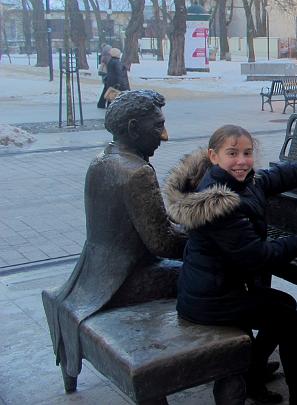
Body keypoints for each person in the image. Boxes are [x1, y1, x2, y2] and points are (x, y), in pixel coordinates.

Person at [164, 125, 297, 405]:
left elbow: (289, 173)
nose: (241, 161)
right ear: (213, 156)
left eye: (247, 153)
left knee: (284, 307)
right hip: (210, 301)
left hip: (215, 287)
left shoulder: (244, 182)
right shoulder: (218, 204)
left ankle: (253, 374)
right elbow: (258, 256)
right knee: (287, 317)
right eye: (232, 153)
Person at [43, 90, 187, 384]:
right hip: (123, 280)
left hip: (93, 273)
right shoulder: (136, 172)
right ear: (133, 128)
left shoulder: (102, 159)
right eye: (157, 126)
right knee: (216, 274)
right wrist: (207, 235)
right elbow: (163, 244)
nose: (165, 135)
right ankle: (236, 360)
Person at [96, 44, 112, 108]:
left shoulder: (103, 56)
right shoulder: (108, 57)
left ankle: (102, 103)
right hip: (107, 75)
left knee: (106, 89)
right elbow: (109, 66)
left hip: (105, 75)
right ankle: (104, 103)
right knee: (108, 89)